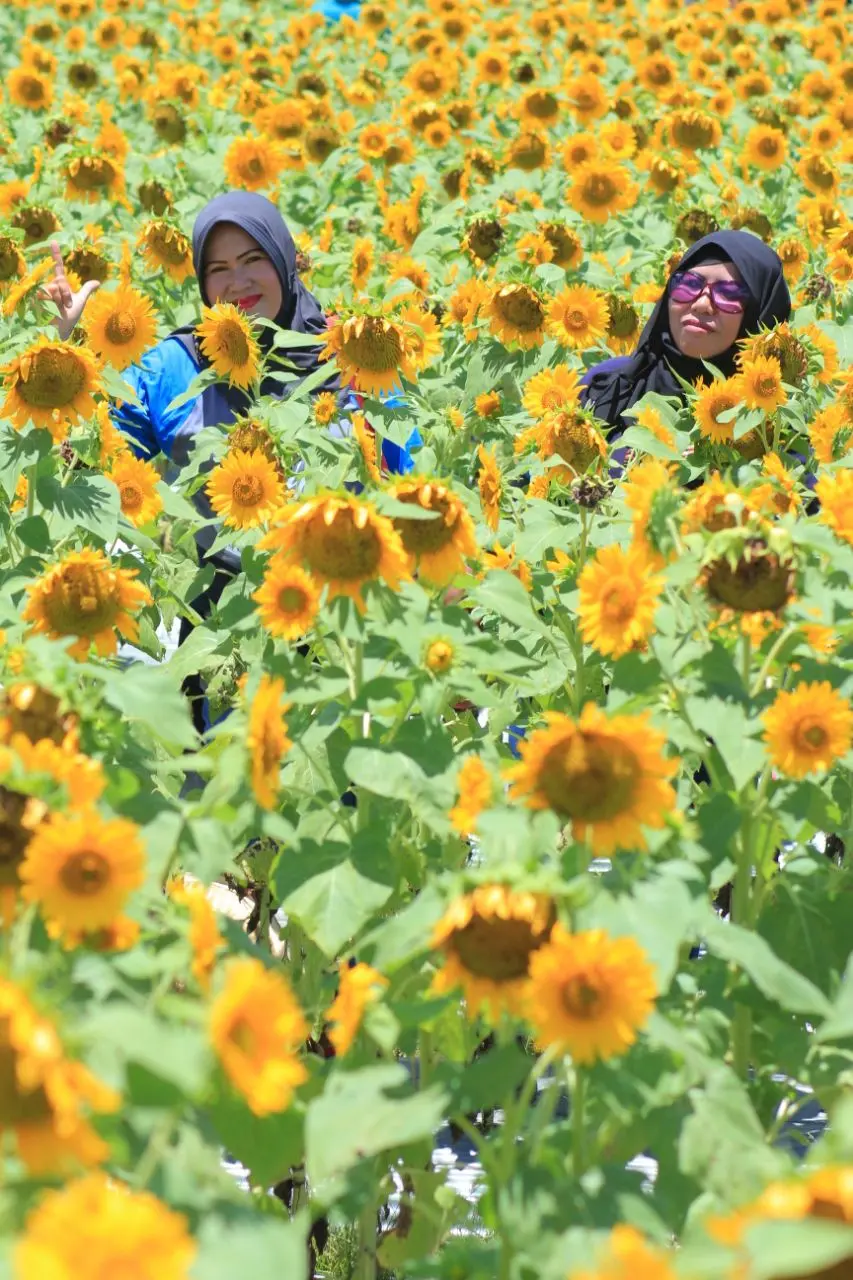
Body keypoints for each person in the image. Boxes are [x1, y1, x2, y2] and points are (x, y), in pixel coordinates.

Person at [43, 190, 419, 727]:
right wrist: (65, 345)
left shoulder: (351, 352)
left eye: (252, 261)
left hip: (345, 618)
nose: (237, 284)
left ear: (284, 260)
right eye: (217, 269)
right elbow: (91, 448)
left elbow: (413, 474)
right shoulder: (179, 365)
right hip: (224, 624)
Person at [580, 230, 792, 433]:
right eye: (689, 284)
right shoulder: (608, 385)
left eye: (728, 293)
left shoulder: (772, 428)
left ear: (758, 315)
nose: (701, 304)